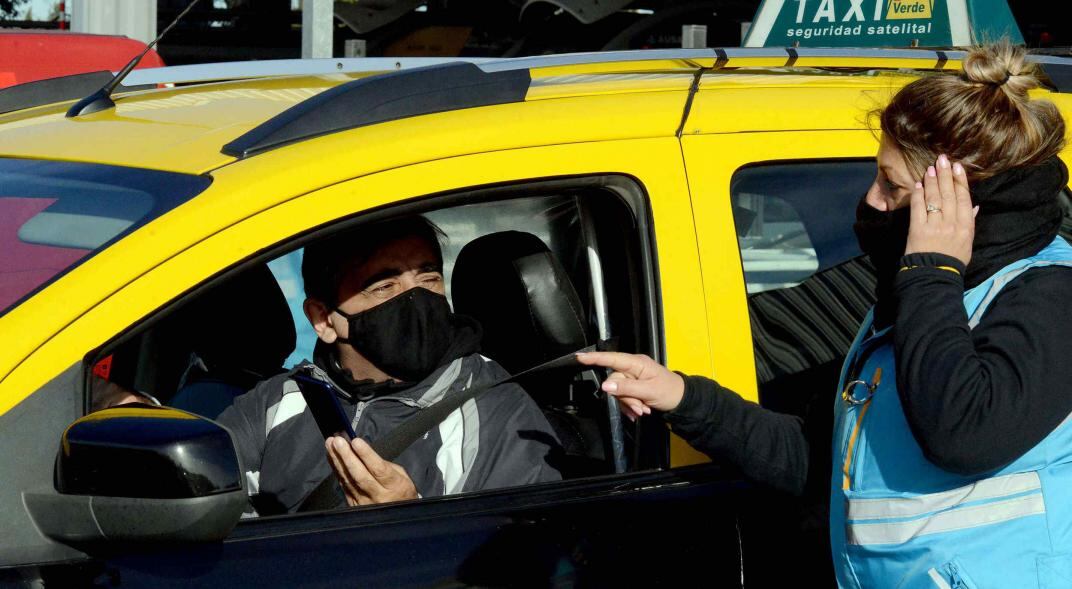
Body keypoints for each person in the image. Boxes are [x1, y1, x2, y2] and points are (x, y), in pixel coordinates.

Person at [578, 42, 1072, 589]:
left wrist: (930, 270)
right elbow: (820, 462)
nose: (872, 201)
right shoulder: (919, 293)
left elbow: (964, 434)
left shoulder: (1047, 293)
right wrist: (682, 397)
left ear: (956, 198)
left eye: (892, 185)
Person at [217, 216, 562, 515]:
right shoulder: (278, 401)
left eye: (429, 279)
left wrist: (408, 518)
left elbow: (516, 559)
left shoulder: (495, 409)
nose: (415, 298)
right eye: (384, 286)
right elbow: (204, 499)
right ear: (323, 319)